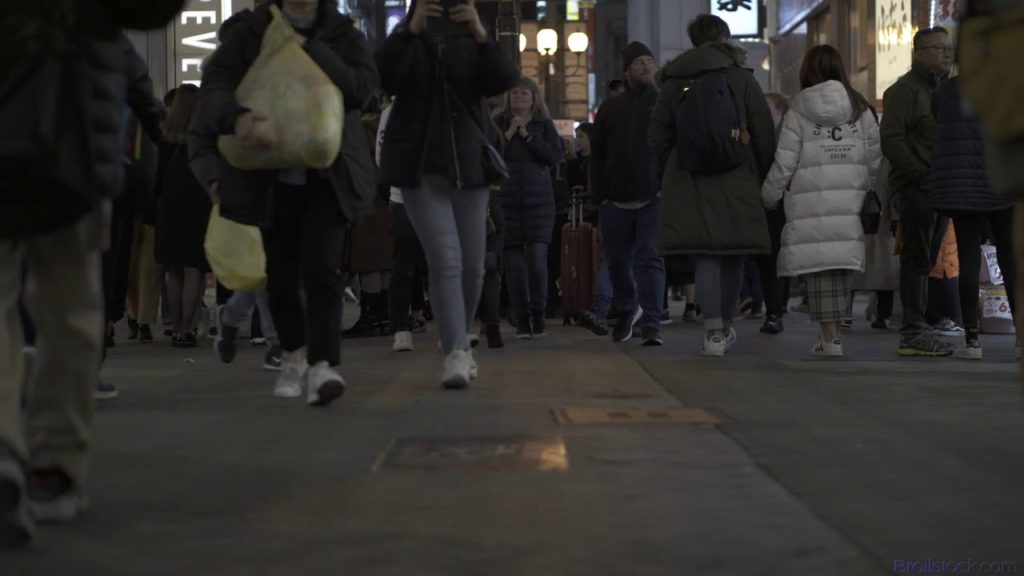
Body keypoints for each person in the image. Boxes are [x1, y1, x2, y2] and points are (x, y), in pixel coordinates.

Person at [0, 0, 186, 547]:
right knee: (72, 310)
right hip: (71, 131)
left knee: (59, 309)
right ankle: (42, 465)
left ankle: (25, 457)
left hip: (67, 131)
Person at [198, 0, 380, 405]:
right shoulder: (252, 30)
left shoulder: (340, 31)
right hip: (269, 174)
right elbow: (216, 84)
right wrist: (235, 117)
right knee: (280, 275)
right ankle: (293, 355)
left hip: (328, 173)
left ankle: (322, 367)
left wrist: (312, 49)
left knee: (322, 268)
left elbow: (362, 88)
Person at [376, 0, 518, 388]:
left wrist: (481, 34)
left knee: (474, 266)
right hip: (419, 166)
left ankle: (458, 341)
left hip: (468, 166)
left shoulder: (474, 34)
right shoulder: (408, 35)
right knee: (445, 260)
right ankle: (455, 350)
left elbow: (504, 79)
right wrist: (411, 30)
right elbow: (384, 77)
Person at [651, 15, 776, 356]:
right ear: (725, 37)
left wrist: (670, 170)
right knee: (732, 253)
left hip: (689, 176)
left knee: (705, 255)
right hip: (737, 174)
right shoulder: (740, 78)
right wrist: (764, 173)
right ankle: (727, 326)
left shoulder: (673, 82)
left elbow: (658, 136)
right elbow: (764, 131)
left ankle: (712, 334)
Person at [761, 45, 882, 357]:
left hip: (809, 203)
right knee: (841, 266)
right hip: (850, 201)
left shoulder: (798, 109)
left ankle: (830, 339)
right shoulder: (861, 108)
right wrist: (867, 188)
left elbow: (785, 161)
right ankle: (833, 336)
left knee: (819, 268)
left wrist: (769, 195)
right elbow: (874, 159)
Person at [926, 75, 1015, 360]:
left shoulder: (946, 91)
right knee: (1012, 261)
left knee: (968, 260)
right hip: (1004, 182)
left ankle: (972, 341)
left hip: (962, 186)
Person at [881, 26, 954, 357]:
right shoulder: (904, 90)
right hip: (916, 188)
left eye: (947, 48)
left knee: (927, 260)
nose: (946, 54)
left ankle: (920, 327)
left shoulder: (946, 90)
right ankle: (912, 331)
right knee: (916, 258)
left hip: (941, 186)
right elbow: (892, 140)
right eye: (938, 48)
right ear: (919, 53)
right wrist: (920, 175)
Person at [590, 41, 667, 345]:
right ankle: (627, 307)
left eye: (650, 60)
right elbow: (597, 155)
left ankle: (651, 323)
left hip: (653, 196)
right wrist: (601, 197)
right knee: (618, 261)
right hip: (615, 198)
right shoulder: (610, 109)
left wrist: (664, 187)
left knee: (650, 257)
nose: (646, 66)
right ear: (626, 70)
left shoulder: (662, 104)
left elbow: (670, 150)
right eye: (639, 62)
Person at [497, 77, 563, 339]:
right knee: (514, 265)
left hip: (539, 202)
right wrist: (510, 134)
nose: (519, 97)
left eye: (525, 93)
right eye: (515, 93)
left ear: (534, 99)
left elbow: (553, 156)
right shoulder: (497, 123)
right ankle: (522, 318)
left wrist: (527, 135)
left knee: (537, 260)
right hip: (507, 202)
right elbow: (489, 155)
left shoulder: (544, 126)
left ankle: (538, 314)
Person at [155, 84, 212, 349]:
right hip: (199, 206)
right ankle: (187, 329)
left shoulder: (163, 141)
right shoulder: (205, 139)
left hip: (169, 208)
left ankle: (175, 326)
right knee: (194, 270)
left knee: (173, 271)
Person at [758, 92, 793, 334]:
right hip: (768, 201)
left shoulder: (786, 135)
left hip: (781, 200)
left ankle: (776, 307)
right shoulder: (764, 134)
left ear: (780, 111)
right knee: (771, 256)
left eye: (767, 109)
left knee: (777, 256)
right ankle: (775, 306)